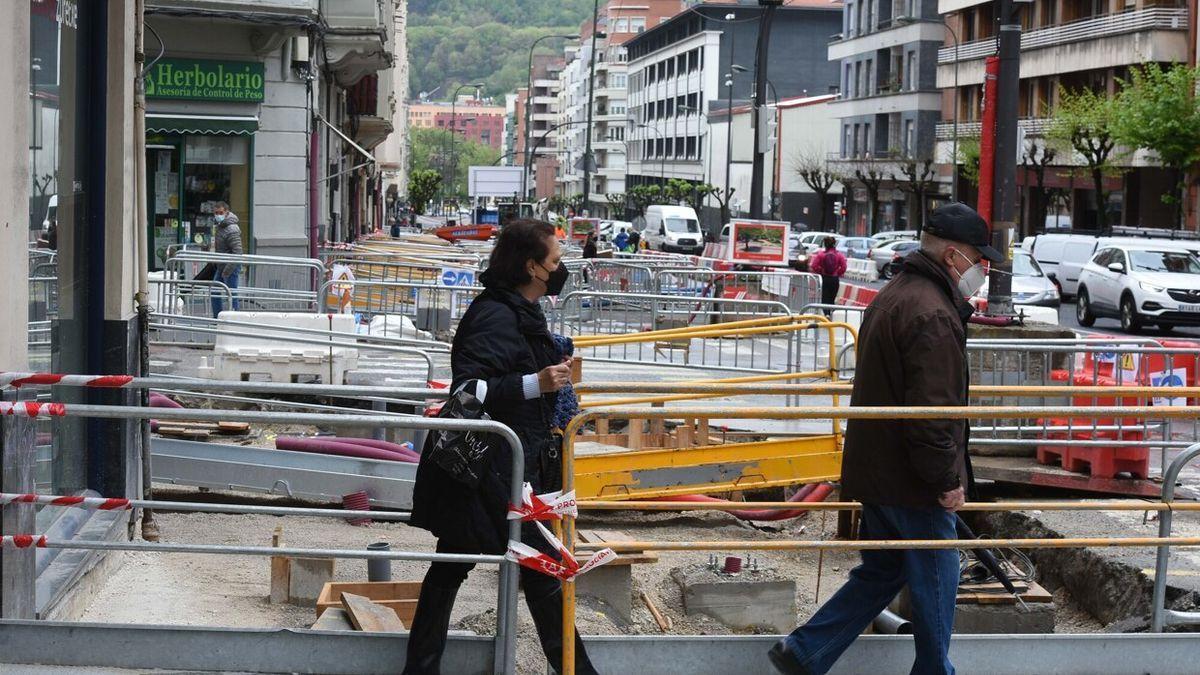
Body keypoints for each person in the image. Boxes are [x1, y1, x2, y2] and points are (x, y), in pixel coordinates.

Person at [769, 203, 1003, 675]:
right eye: (979, 259)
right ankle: (934, 672)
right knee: (938, 576)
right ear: (955, 256)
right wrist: (945, 480)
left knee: (884, 571)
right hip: (912, 478)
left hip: (879, 470)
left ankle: (805, 652)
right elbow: (933, 413)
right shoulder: (932, 313)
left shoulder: (896, 293)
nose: (982, 270)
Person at [405, 220, 599, 675]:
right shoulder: (495, 314)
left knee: (455, 566)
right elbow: (468, 389)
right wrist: (537, 382)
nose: (561, 267)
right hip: (493, 471)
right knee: (536, 570)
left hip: (504, 468)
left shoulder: (517, 311)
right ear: (532, 267)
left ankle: (420, 667)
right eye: (554, 260)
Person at [211, 201, 242, 317]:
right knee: (215, 292)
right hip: (222, 265)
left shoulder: (232, 229)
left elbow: (238, 252)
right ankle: (217, 318)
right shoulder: (220, 226)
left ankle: (234, 319)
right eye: (216, 213)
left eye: (220, 212)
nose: (218, 215)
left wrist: (227, 271)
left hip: (231, 266)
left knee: (231, 294)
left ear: (226, 212)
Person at [809, 237, 847, 312]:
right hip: (834, 279)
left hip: (825, 278)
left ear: (825, 244)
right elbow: (844, 267)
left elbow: (814, 265)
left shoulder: (821, 255)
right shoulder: (839, 255)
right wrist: (837, 273)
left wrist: (821, 271)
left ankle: (826, 315)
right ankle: (831, 314)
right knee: (832, 299)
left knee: (825, 299)